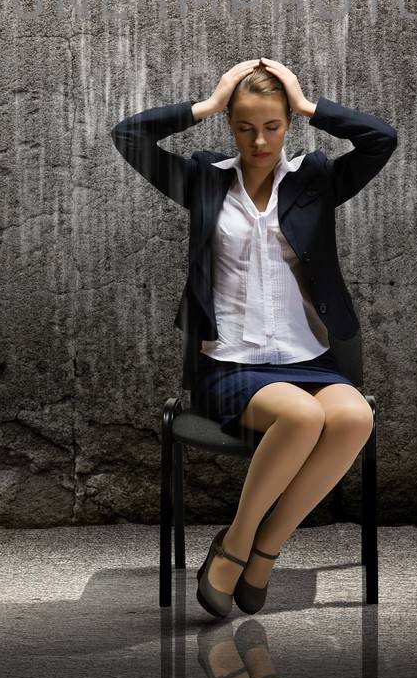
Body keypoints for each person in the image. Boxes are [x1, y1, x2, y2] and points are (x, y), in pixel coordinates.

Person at [110, 57, 397, 618]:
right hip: (231, 363)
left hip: (308, 357)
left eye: (272, 126)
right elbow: (129, 135)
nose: (259, 140)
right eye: (244, 127)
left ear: (288, 125)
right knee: (302, 418)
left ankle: (263, 550)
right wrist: (210, 101)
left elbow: (381, 139)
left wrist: (308, 102)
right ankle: (237, 543)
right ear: (230, 127)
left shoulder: (316, 180)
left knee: (354, 418)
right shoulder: (202, 180)